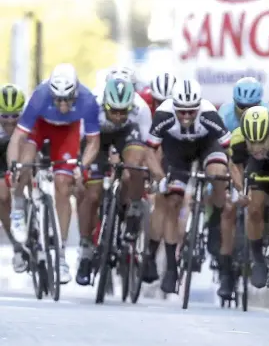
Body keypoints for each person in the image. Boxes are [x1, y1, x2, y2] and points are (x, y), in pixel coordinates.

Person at [6, 63, 100, 284]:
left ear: (76, 93)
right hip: (40, 127)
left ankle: (60, 254)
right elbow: (18, 137)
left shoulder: (87, 100)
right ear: (51, 94)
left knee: (63, 183)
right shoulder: (39, 96)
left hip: (67, 133)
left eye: (68, 99)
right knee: (26, 162)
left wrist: (82, 166)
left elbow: (94, 143)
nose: (63, 104)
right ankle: (18, 207)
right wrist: (14, 166)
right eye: (58, 99)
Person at [145, 79, 230, 294]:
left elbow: (231, 149)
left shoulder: (209, 113)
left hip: (206, 144)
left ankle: (214, 221)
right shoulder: (163, 114)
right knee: (172, 201)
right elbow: (150, 151)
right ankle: (172, 269)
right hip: (176, 151)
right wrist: (159, 177)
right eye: (181, 112)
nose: (185, 117)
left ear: (199, 106)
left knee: (218, 174)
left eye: (191, 112)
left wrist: (235, 181)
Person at [76, 77, 152, 285]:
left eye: (123, 111)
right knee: (92, 195)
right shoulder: (91, 105)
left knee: (134, 167)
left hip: (127, 135)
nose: (118, 116)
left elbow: (149, 147)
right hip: (96, 139)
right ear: (105, 104)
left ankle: (134, 206)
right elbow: (86, 143)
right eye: (114, 111)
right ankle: (85, 250)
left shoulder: (140, 109)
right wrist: (80, 167)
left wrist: (152, 173)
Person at [214, 77, 269, 298]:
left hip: (268, 162)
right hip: (243, 162)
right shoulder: (230, 124)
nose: (247, 111)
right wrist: (239, 188)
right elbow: (229, 161)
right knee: (238, 208)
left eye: (252, 107)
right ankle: (235, 269)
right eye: (243, 107)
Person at [229, 106, 269, 289]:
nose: (257, 148)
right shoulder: (238, 138)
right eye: (252, 143)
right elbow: (236, 167)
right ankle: (258, 260)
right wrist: (241, 190)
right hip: (257, 169)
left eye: (261, 142)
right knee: (254, 208)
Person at [0, 84, 28, 272]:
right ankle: (18, 246)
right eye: (4, 116)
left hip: (23, 148)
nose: (10, 121)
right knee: (2, 196)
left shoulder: (30, 119)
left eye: (15, 115)